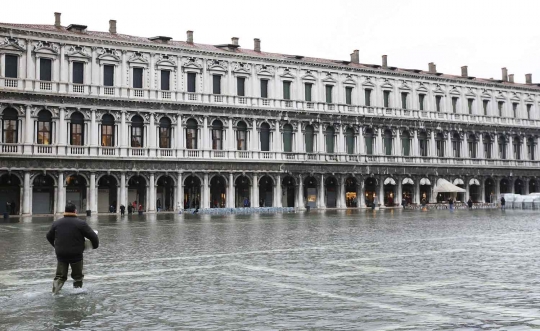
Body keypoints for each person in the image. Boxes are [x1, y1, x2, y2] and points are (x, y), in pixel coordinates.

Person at [46, 203, 99, 294]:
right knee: (77, 277)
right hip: (76, 254)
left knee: (60, 277)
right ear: (75, 211)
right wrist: (94, 246)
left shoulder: (57, 223)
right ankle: (77, 293)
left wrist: (56, 246)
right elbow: (93, 236)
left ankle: (54, 293)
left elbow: (48, 236)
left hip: (61, 253)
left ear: (65, 211)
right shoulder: (81, 223)